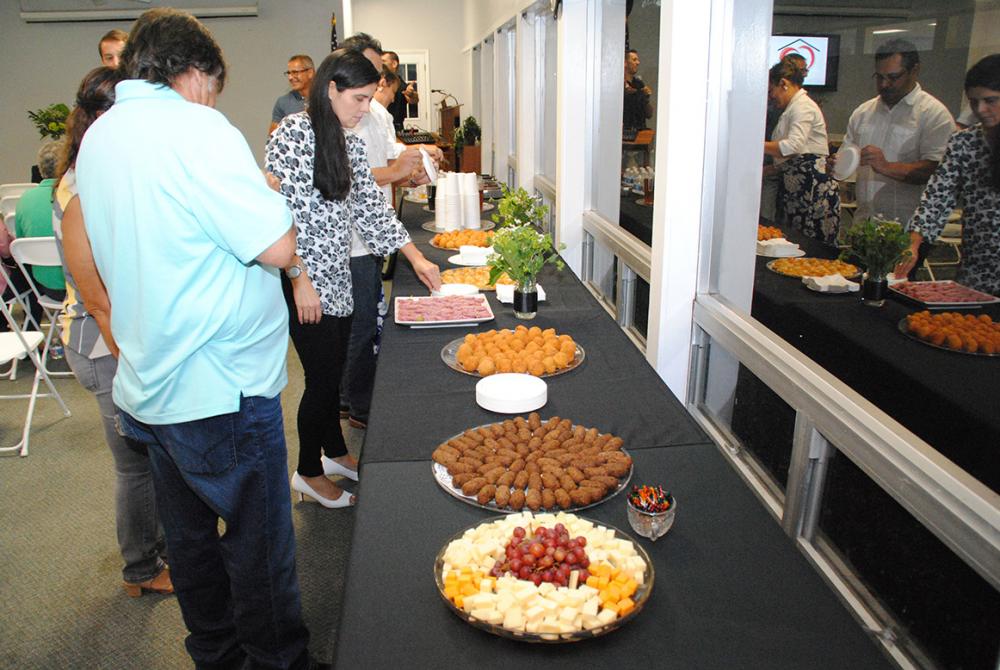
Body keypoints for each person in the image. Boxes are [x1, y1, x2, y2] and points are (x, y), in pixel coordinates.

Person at [74, 9, 310, 668]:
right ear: (193, 72)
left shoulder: (101, 135)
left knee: (192, 546)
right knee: (260, 547)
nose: (212, 99)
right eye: (213, 85)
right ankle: (278, 661)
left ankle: (217, 656)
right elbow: (277, 245)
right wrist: (268, 193)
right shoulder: (197, 127)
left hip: (149, 383)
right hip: (221, 386)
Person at [265, 49, 440, 507]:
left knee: (333, 370)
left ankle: (335, 452)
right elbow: (276, 214)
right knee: (322, 381)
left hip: (338, 275)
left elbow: (371, 211)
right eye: (358, 99)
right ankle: (308, 472)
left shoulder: (351, 143)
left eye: (368, 98)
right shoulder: (291, 135)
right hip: (304, 279)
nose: (365, 108)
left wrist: (416, 257)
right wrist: (298, 276)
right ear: (331, 89)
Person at [54, 66, 173, 599]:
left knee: (152, 456)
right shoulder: (81, 188)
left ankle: (165, 549)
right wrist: (132, 359)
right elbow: (99, 297)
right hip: (103, 344)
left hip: (119, 337)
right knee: (135, 465)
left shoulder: (100, 172)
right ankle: (141, 568)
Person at [338, 32, 442, 429]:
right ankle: (357, 406)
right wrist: (398, 170)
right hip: (350, 244)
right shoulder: (327, 123)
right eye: (370, 70)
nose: (377, 80)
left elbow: (382, 166)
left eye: (379, 72)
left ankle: (351, 398)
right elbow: (353, 179)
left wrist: (413, 163)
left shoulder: (373, 113)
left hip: (372, 233)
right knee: (359, 327)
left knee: (363, 322)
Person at [896, 54, 1000, 296]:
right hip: (977, 271)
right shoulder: (964, 142)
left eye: (990, 101)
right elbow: (937, 196)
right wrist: (914, 242)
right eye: (974, 102)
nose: (980, 110)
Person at [835, 39, 954, 225]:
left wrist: (886, 166)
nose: (884, 84)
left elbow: (937, 171)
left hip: (909, 226)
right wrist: (837, 166)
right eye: (879, 77)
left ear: (914, 71)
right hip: (864, 222)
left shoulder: (933, 114)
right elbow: (847, 159)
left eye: (893, 77)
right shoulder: (863, 112)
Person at [763, 59, 841, 245]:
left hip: (811, 188)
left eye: (771, 91)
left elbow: (793, 146)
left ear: (783, 83)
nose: (771, 97)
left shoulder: (803, 106)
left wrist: (757, 145)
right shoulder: (792, 107)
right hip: (796, 188)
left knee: (810, 244)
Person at [15, 140, 67, 303]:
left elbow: (21, 241)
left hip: (46, 287)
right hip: (79, 290)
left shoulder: (24, 200)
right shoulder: (75, 196)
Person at [269, 54, 315, 135]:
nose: (290, 77)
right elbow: (273, 137)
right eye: (289, 73)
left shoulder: (327, 98)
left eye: (295, 72)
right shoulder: (283, 103)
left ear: (310, 73)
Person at [381, 50, 418, 129]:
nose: (380, 64)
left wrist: (411, 94)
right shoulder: (376, 82)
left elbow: (414, 99)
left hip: (396, 128)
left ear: (394, 64)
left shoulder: (402, 86)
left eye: (383, 61)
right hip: (378, 127)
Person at [623, 49, 653, 131]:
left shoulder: (639, 84)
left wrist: (646, 98)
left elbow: (649, 114)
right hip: (625, 132)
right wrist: (640, 93)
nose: (638, 63)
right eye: (634, 60)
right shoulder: (619, 84)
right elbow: (629, 92)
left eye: (638, 60)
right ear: (625, 63)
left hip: (640, 131)